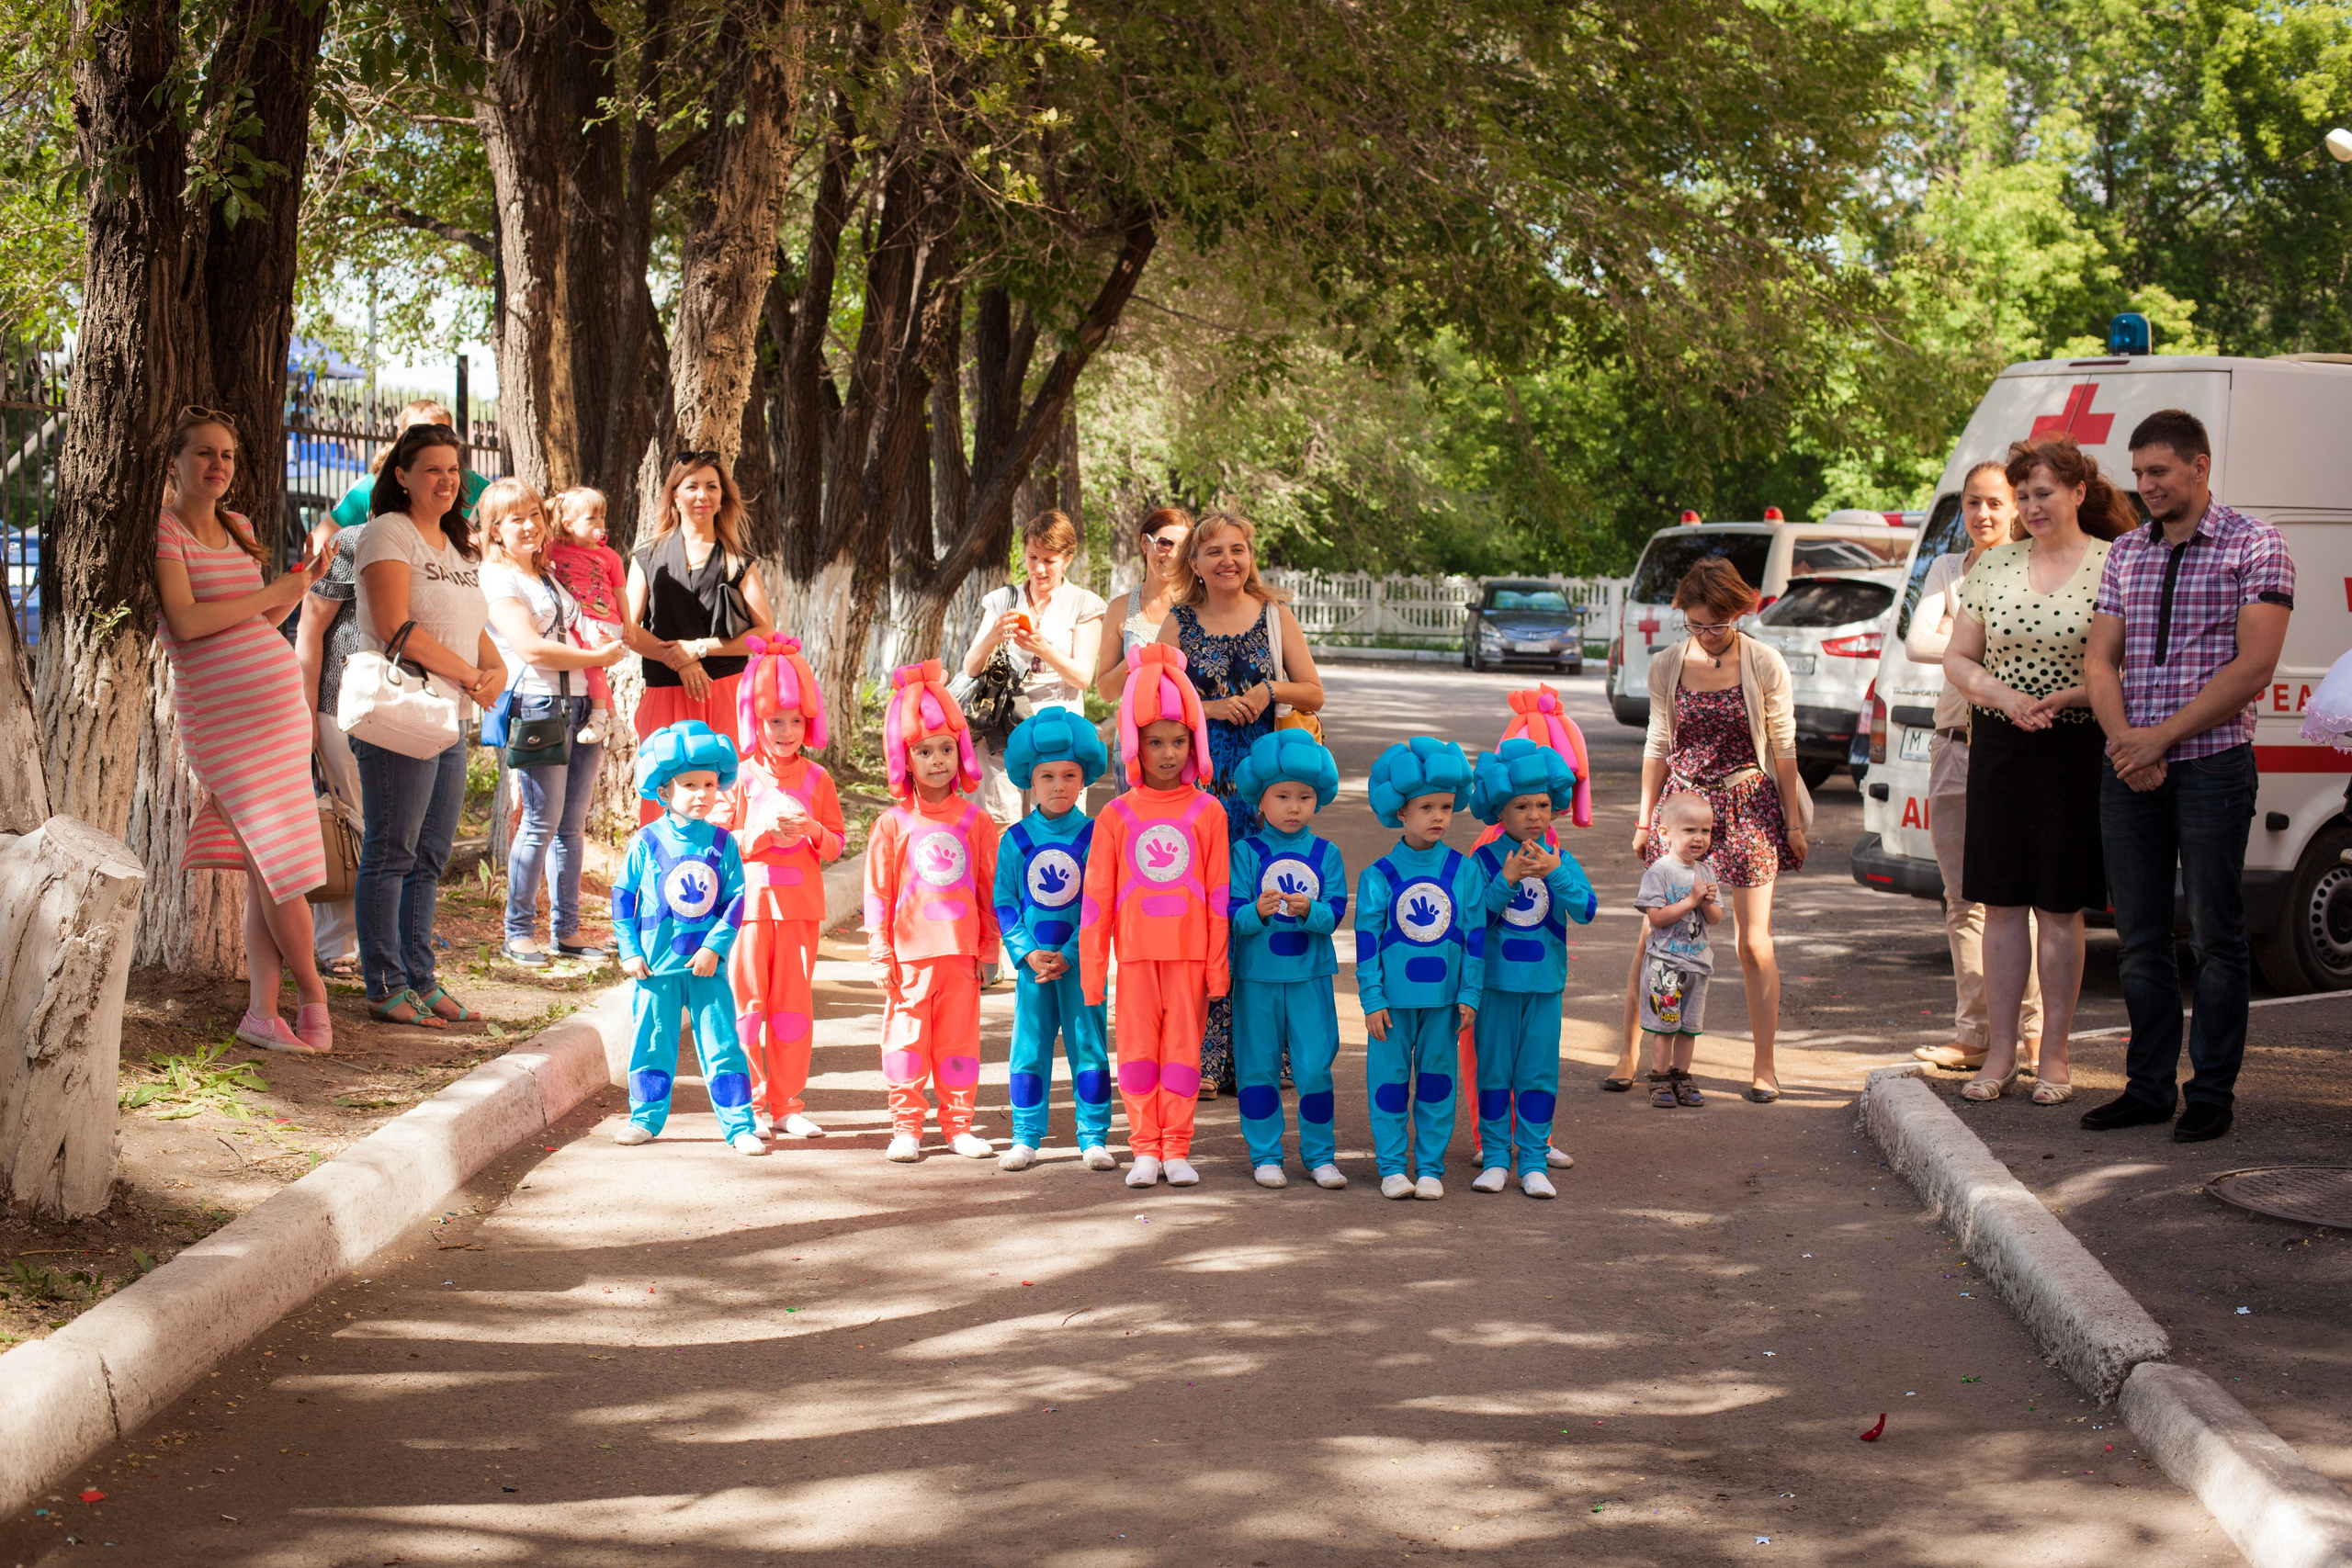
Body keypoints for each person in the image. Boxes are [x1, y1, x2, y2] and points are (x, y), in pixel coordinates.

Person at [2082, 409, 2294, 1144]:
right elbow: (2099, 660)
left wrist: (2157, 740)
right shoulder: (2128, 552)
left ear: (2200, 468)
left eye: (2159, 473)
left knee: (2214, 934)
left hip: (2211, 766)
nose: (2144, 487)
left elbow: (2255, 666)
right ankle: (2146, 1088)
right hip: (2130, 767)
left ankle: (2210, 1091)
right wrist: (2124, 745)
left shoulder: (2255, 544)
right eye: (2139, 474)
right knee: (2138, 936)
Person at [1943, 434, 2133, 1105]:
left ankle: (2053, 1054)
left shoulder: (2116, 563)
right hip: (2001, 741)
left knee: (2058, 905)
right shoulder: (1994, 567)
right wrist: (2006, 698)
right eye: (2022, 495)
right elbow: (1959, 659)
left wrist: (2070, 697)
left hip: (2075, 744)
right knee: (1999, 903)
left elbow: (2126, 667)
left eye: (2043, 492)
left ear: (2079, 492)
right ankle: (1998, 1055)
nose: (2030, 505)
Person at [153, 407, 334, 1054]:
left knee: (270, 869)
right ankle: (313, 992)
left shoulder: (240, 526)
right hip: (224, 725)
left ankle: (263, 1011)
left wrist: (302, 583)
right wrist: (271, 593)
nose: (218, 465)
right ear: (173, 461)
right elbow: (188, 621)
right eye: (204, 453)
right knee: (282, 865)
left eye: (227, 455)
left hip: (278, 716)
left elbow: (262, 619)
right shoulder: (165, 532)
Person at [1155, 512, 1324, 1095]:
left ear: (1250, 556)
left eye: (1238, 549)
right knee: (1208, 917)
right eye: (1213, 552)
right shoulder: (1177, 624)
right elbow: (1154, 708)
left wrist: (1266, 691)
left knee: (1264, 907)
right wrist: (1210, 708)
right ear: (1193, 564)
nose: (1228, 560)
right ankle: (1204, 1054)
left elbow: (1314, 690)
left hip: (1266, 795)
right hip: (1199, 793)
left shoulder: (1275, 616)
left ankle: (1261, 1053)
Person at [1634, 558, 1808, 1102]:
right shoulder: (1667, 664)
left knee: (1753, 943)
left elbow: (1783, 746)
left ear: (1738, 613)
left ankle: (1764, 1065)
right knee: (1656, 935)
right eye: (1695, 624)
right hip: (1683, 803)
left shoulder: (1763, 662)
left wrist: (1793, 821)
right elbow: (1657, 744)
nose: (1706, 635)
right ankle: (1635, 1052)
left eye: (1716, 623)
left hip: (1748, 801)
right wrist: (1644, 819)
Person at [351, 423, 505, 1028]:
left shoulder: (458, 544)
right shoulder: (387, 532)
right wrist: (471, 672)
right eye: (432, 469)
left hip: (450, 714)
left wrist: (491, 671)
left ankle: (421, 978)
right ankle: (384, 982)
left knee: (430, 854)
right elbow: (395, 626)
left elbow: (473, 623)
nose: (446, 480)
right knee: (392, 850)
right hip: (401, 714)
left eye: (453, 470)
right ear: (402, 476)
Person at [1905, 462, 2045, 1076]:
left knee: (2024, 899)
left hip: (2015, 746)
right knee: (1963, 899)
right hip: (1953, 744)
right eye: (1971, 503)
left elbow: (2019, 645)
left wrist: (1962, 638)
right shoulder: (1946, 568)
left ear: (2016, 506)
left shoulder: (2038, 565)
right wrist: (1984, 641)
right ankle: (1976, 1032)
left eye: (1994, 502)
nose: (1982, 514)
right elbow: (1916, 640)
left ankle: (2035, 1035)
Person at [1081, 643, 1228, 1190]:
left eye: (1178, 740)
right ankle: (1144, 1147)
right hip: (1137, 956)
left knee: (1183, 1054)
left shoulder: (1207, 811)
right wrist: (1093, 974)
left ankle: (1177, 1147)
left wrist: (1217, 969)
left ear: (1195, 740)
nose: (1168, 752)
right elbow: (1096, 899)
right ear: (1133, 742)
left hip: (1190, 957)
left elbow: (1218, 894)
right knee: (1139, 1053)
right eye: (1155, 741)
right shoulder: (1116, 814)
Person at [476, 479, 627, 966]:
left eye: (534, 516)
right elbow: (530, 647)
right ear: (494, 529)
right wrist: (601, 653)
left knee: (571, 827)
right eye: (515, 518)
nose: (529, 525)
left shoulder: (547, 574)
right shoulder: (498, 577)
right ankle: (518, 931)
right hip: (538, 703)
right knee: (540, 823)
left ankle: (567, 931)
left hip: (580, 704)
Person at [865, 661, 1000, 1164]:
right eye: (924, 751)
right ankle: (906, 1126)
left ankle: (958, 1125)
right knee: (906, 1040)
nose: (937, 760)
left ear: (961, 750)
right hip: (909, 959)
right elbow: (877, 894)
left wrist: (990, 950)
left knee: (959, 1042)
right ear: (906, 758)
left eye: (946, 748)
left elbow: (988, 890)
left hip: (961, 956)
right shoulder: (891, 823)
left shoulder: (976, 820)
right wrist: (881, 954)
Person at [610, 722, 765, 1156]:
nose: (702, 794)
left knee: (723, 1046)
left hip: (706, 968)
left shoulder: (722, 842)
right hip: (656, 968)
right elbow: (623, 896)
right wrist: (629, 950)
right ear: (664, 791)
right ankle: (644, 1118)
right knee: (652, 1043)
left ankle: (739, 1126)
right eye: (690, 784)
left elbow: (736, 898)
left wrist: (715, 947)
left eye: (710, 784)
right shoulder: (646, 841)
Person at [717, 636, 845, 1140]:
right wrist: (759, 836)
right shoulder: (738, 776)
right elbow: (722, 842)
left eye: (795, 720)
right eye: (775, 721)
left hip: (800, 911)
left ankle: (787, 1105)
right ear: (755, 720)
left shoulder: (818, 779)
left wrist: (813, 831)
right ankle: (748, 1103)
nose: (786, 732)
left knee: (793, 1009)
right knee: (747, 1007)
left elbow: (835, 843)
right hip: (748, 912)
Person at [1467, 739, 1599, 1198]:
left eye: (1543, 805)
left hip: (1545, 986)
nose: (1534, 815)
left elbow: (1586, 909)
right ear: (1498, 810)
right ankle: (1498, 1159)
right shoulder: (1483, 860)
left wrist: (1555, 872)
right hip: (1496, 985)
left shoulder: (1563, 860)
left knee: (1539, 1074)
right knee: (1494, 1073)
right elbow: (1472, 919)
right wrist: (1506, 880)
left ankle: (1534, 1161)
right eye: (1521, 806)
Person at [1356, 737, 1485, 1201]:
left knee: (1436, 1084)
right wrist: (1371, 998)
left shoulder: (1464, 869)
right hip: (1391, 1006)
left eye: (1446, 807)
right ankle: (1392, 1167)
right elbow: (1366, 942)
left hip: (1445, 1003)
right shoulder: (1379, 875)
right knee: (1389, 1086)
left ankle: (1429, 1166)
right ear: (1400, 812)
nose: (1437, 817)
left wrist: (1470, 993)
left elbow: (1475, 937)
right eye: (1426, 807)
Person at [989, 709, 1115, 1172]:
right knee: (1029, 1047)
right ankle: (1025, 1136)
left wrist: (1071, 953)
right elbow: (1003, 901)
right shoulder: (1015, 840)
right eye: (1047, 776)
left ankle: (1094, 1136)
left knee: (1090, 1045)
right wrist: (1024, 952)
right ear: (1030, 781)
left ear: (1084, 778)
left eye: (1069, 775)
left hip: (1081, 965)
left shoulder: (1097, 834)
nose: (1059, 784)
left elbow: (1102, 901)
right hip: (1033, 969)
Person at [627, 451, 778, 821]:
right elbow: (628, 632)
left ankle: (723, 874)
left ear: (723, 497)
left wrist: (697, 650)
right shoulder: (647, 556)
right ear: (674, 495)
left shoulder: (738, 560)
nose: (702, 495)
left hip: (725, 691)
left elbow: (765, 632)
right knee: (663, 795)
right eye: (692, 486)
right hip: (665, 692)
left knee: (724, 797)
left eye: (712, 487)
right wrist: (676, 660)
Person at [1227, 729, 1347, 1191]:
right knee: (1257, 1067)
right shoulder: (1245, 852)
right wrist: (1255, 911)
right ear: (1261, 800)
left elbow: (1335, 911)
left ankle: (1320, 1155)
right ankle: (1265, 1155)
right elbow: (1232, 913)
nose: (1294, 806)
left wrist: (1311, 911)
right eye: (1282, 796)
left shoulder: (1326, 853)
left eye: (1304, 796)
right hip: (1257, 976)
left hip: (1310, 976)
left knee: (1315, 1066)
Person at [961, 510, 1106, 824]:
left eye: (1049, 560)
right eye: (1032, 557)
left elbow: (1082, 677)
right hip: (1001, 733)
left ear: (1067, 558)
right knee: (998, 824)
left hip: (1058, 734)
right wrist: (993, 636)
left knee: (1055, 828)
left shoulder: (1084, 604)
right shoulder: (1003, 599)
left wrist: (1043, 648)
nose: (1039, 569)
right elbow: (971, 666)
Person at [293, 499, 370, 977]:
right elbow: (311, 623)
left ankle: (386, 939)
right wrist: (306, 708)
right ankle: (336, 945)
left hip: (414, 707)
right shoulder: (354, 542)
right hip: (340, 701)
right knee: (348, 819)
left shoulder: (443, 548)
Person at [1635, 794, 1724, 1109]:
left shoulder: (1706, 873)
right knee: (1664, 1026)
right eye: (1689, 830)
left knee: (1689, 1027)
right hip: (1665, 967)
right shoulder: (1659, 872)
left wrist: (1708, 902)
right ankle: (1659, 1078)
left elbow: (1715, 919)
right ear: (1665, 833)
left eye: (1706, 830)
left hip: (1698, 965)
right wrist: (1689, 901)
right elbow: (1656, 918)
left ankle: (1682, 1076)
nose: (1699, 838)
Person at [1094, 506, 1193, 785]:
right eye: (1165, 543)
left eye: (1183, 546)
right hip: (1132, 745)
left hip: (1184, 748)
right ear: (1144, 543)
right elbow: (1105, 691)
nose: (1172, 553)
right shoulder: (1120, 609)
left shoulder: (1198, 607)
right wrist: (1139, 660)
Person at [322, 399, 487, 543]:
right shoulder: (369, 487)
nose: (434, 442)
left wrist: (470, 543)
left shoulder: (474, 484)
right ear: (401, 477)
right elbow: (318, 543)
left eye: (442, 432)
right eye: (420, 434)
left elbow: (505, 528)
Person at [545, 487, 628, 747]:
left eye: (602, 517)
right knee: (594, 668)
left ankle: (599, 716)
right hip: (579, 620)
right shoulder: (555, 549)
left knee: (593, 665)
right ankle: (615, 722)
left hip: (602, 621)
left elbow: (620, 591)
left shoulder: (610, 556)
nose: (600, 523)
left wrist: (629, 624)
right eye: (592, 518)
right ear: (568, 524)